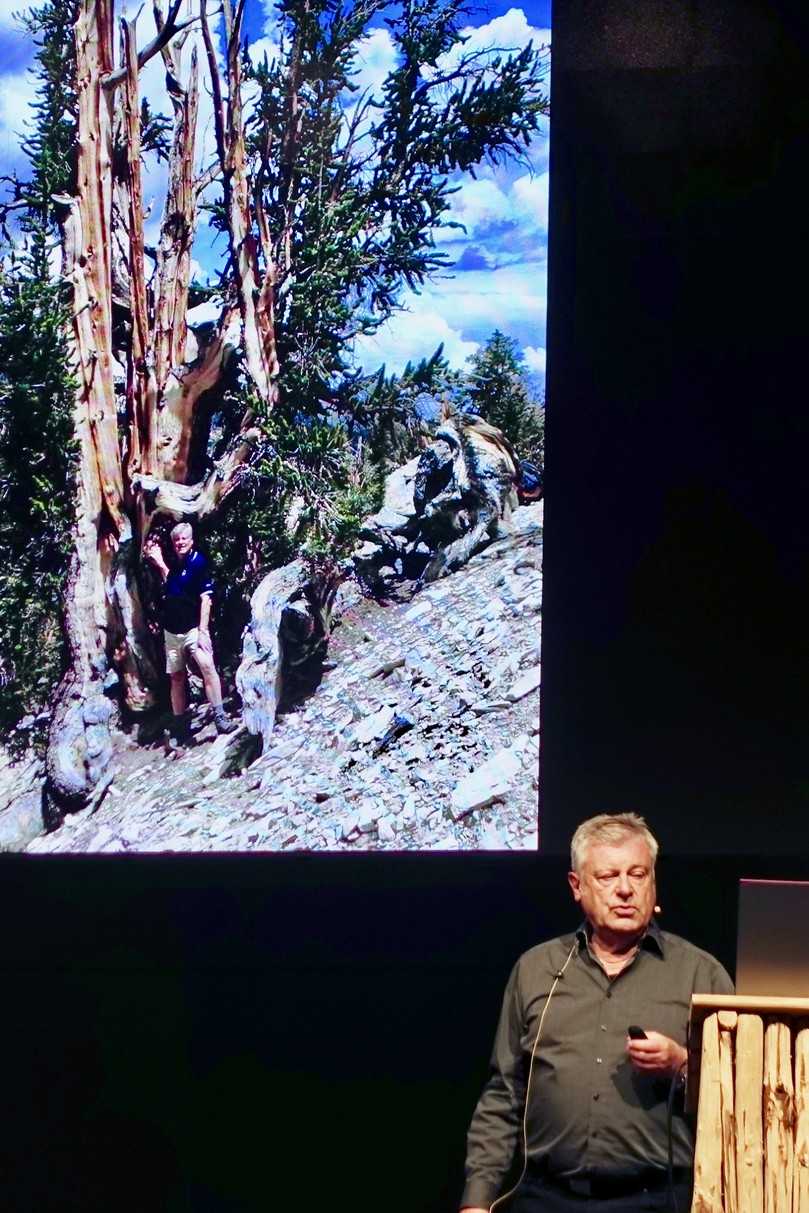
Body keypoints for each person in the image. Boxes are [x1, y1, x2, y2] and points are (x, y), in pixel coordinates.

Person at [461, 812, 734, 1213]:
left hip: (658, 1200)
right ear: (577, 886)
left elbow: (741, 1094)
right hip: (547, 1198)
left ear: (653, 882)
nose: (625, 889)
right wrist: (477, 1200)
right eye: (608, 877)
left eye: (637, 875)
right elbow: (504, 1093)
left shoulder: (700, 972)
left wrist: (681, 1065)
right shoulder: (536, 970)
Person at [144, 522, 236, 740]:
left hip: (192, 629)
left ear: (191, 541)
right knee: (176, 677)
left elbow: (206, 598)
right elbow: (173, 586)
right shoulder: (176, 565)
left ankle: (220, 716)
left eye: (184, 539)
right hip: (171, 632)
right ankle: (180, 726)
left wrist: (203, 630)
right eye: (176, 541)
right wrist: (158, 562)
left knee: (206, 665)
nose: (180, 543)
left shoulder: (198, 563)